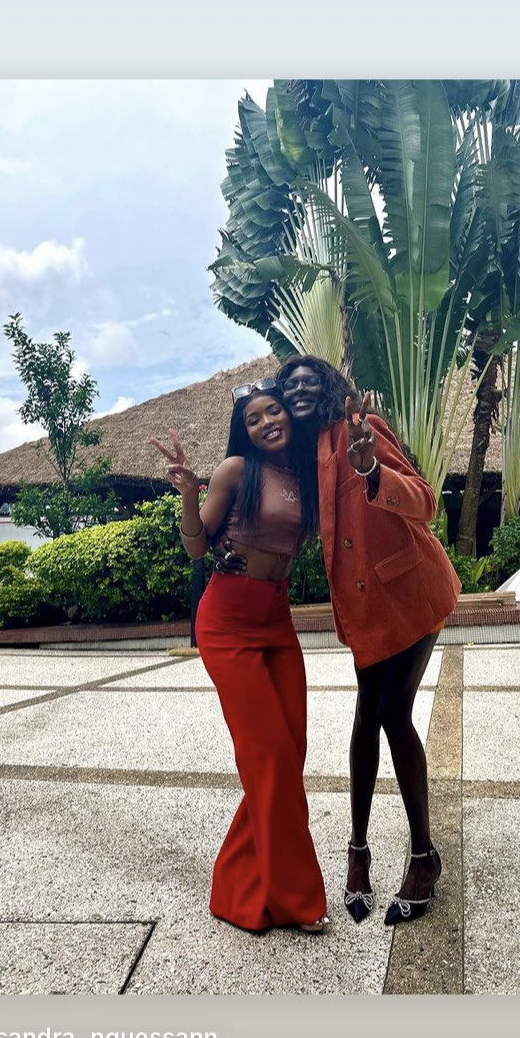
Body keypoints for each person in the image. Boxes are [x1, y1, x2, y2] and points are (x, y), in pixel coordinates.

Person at [276, 357, 461, 928]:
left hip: (410, 593)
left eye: (309, 380)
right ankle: (358, 851)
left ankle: (424, 857)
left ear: (328, 387)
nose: (299, 388)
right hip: (363, 609)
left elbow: (425, 500)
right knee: (365, 716)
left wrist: (373, 470)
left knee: (391, 713)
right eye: (289, 384)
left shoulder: (362, 428)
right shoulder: (304, 457)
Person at [149, 377, 329, 936]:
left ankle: (236, 885)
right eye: (254, 419)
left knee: (288, 753)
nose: (266, 422)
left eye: (273, 411)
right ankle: (298, 901)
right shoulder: (235, 470)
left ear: (289, 415)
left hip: (276, 619)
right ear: (243, 430)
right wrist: (189, 494)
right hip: (227, 622)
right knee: (268, 754)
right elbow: (196, 545)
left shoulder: (307, 473)